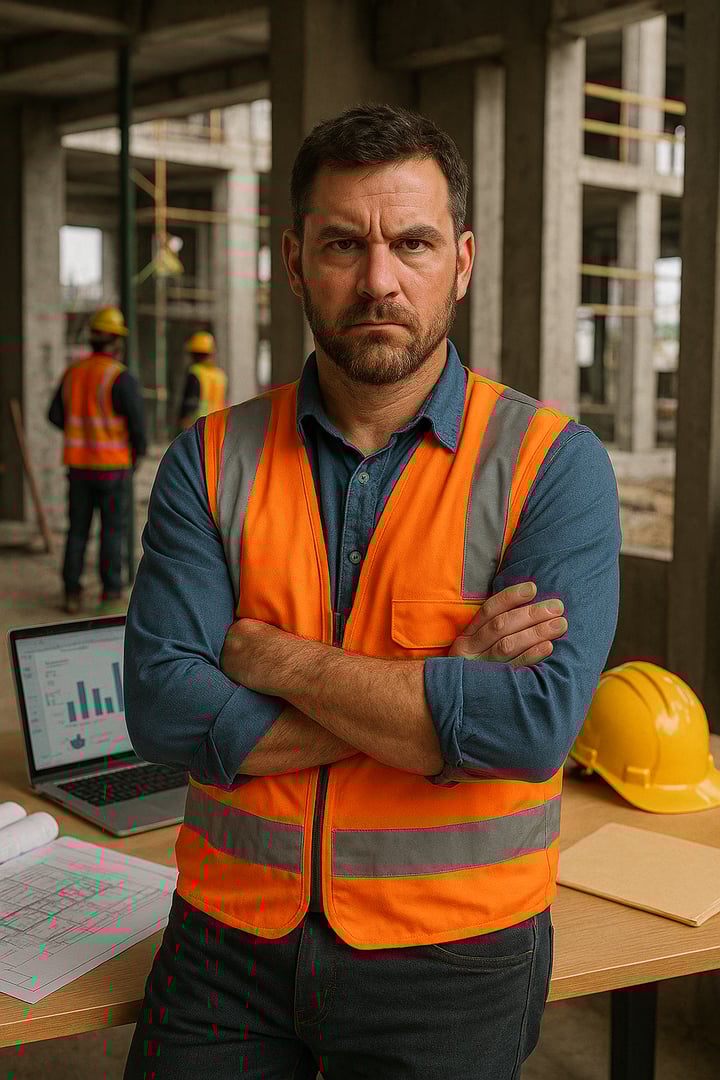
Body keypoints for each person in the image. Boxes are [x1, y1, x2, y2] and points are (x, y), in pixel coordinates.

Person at [122, 104, 621, 1079]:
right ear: (296, 261)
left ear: (462, 261)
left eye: (414, 242)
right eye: (345, 244)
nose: (380, 279)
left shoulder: (549, 466)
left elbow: (528, 727)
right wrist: (440, 692)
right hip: (228, 935)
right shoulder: (212, 458)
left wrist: (274, 658)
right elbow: (163, 711)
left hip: (454, 953)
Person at [48, 306, 147, 615]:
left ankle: (72, 592)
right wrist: (136, 455)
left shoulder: (72, 373)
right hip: (112, 469)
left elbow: (54, 415)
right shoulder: (119, 377)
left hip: (78, 467)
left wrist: (81, 427)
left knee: (77, 529)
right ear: (116, 342)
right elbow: (138, 427)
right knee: (111, 530)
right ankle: (111, 590)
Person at [178, 330, 227, 429]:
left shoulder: (195, 372)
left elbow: (190, 402)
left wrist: (183, 421)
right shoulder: (220, 375)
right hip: (218, 425)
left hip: (199, 426)